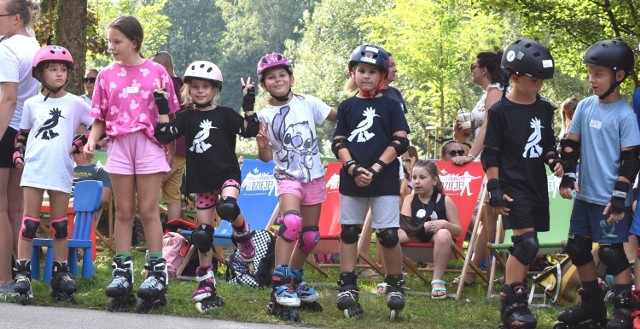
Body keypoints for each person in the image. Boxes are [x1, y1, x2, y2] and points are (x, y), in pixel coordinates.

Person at [82, 15, 180, 312]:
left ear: (134, 43)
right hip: (119, 145)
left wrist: (170, 149)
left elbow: (170, 117)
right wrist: (90, 140)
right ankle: (123, 272)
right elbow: (99, 117)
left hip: (149, 144)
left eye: (117, 42)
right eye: (110, 41)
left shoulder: (157, 72)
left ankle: (155, 272)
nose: (111, 47)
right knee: (124, 212)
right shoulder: (106, 76)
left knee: (148, 210)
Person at [154, 60, 258, 313]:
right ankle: (205, 280)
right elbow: (164, 134)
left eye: (206, 87)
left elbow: (249, 130)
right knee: (202, 234)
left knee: (228, 207)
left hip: (227, 174)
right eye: (196, 87)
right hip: (202, 181)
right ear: (189, 89)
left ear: (215, 90)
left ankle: (243, 235)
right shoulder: (186, 117)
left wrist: (248, 104)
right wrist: (162, 105)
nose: (200, 91)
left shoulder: (224, 114)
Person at [558, 39, 639, 329]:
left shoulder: (625, 116)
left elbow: (631, 161)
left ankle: (622, 311)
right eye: (590, 73)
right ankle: (591, 305)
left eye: (599, 74)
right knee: (577, 248)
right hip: (585, 196)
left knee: (611, 252)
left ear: (619, 76)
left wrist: (620, 197)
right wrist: (567, 173)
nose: (592, 80)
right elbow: (571, 146)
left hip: (609, 199)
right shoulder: (585, 107)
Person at [483, 39, 559, 329]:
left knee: (528, 246)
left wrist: (556, 162)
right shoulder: (500, 111)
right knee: (526, 244)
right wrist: (494, 188)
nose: (539, 83)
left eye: (542, 79)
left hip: (536, 184)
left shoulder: (545, 109)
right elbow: (491, 153)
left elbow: (547, 146)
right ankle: (514, 305)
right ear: (514, 77)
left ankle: (511, 308)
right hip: (511, 186)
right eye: (534, 78)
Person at [255, 52, 336, 320]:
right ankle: (279, 282)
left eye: (282, 75)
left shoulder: (308, 102)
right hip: (287, 177)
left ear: (291, 78)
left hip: (313, 177)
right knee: (291, 223)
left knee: (310, 236)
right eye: (271, 77)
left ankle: (295, 279)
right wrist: (262, 144)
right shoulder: (264, 115)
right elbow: (266, 158)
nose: (277, 80)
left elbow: (338, 116)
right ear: (264, 84)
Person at [332, 44, 410, 321]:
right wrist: (353, 167)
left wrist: (375, 169)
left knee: (388, 234)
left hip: (384, 177)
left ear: (383, 76)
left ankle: (395, 283)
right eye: (361, 71)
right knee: (350, 231)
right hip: (353, 177)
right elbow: (338, 142)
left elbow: (401, 141)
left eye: (372, 72)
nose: (366, 76)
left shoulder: (391, 104)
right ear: (353, 73)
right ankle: (348, 284)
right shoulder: (348, 106)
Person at [12, 45, 93, 303]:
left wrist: (81, 142)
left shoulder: (76, 103)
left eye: (63, 69)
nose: (59, 74)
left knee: (59, 226)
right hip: (35, 168)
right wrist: (17, 153)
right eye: (52, 69)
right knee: (29, 223)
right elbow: (22, 134)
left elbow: (98, 127)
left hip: (61, 169)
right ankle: (23, 272)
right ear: (40, 73)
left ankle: (60, 273)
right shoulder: (32, 103)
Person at [451, 50, 505, 288]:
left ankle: (474, 271)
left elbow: (490, 126)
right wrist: (463, 134)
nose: (471, 69)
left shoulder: (496, 90)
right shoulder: (487, 93)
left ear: (483, 70)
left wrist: (471, 155)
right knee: (488, 215)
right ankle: (478, 268)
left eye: (473, 66)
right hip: (486, 157)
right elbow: (477, 127)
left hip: (495, 160)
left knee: (489, 214)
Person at [0, 0, 40, 296]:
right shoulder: (36, 46)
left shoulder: (7, 48)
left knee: (1, 208)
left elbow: (8, 98)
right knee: (14, 208)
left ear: (15, 18)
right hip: (25, 134)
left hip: (5, 129)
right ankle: (19, 276)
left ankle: (3, 281)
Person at [398, 160, 460, 299]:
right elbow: (406, 225)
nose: (417, 182)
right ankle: (393, 276)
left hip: (436, 240)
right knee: (389, 234)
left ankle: (437, 281)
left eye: (422, 177)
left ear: (434, 180)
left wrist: (444, 223)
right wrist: (422, 226)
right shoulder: (409, 199)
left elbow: (458, 230)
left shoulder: (445, 200)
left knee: (444, 234)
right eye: (414, 178)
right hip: (413, 235)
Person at [151, 51, 185, 223]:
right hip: (182, 148)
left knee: (149, 191)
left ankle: (153, 235)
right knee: (173, 195)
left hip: (166, 148)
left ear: (163, 67)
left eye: (154, 65)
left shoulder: (164, 85)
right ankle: (172, 235)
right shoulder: (184, 85)